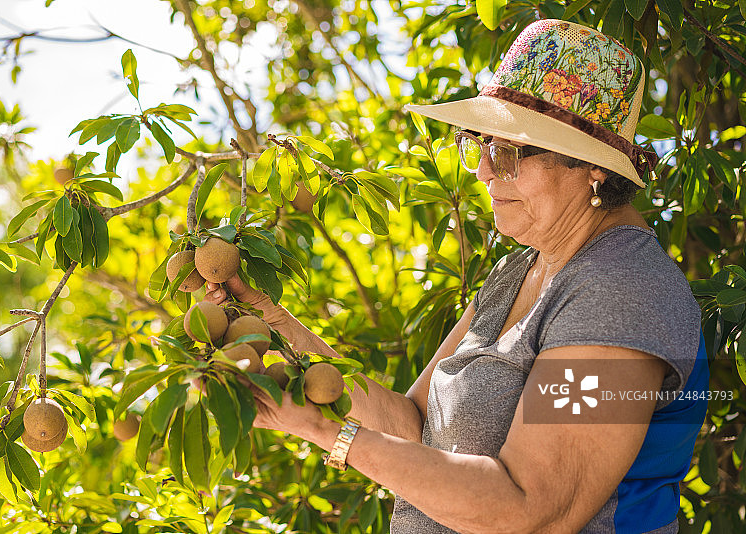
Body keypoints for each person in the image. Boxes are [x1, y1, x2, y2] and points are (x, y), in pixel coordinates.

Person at [205, 19, 708, 533]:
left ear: (591, 168)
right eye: (481, 145)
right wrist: (272, 322)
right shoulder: (518, 270)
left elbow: (534, 509)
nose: (485, 170)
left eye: (508, 152)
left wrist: (322, 430)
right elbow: (410, 425)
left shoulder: (622, 291)